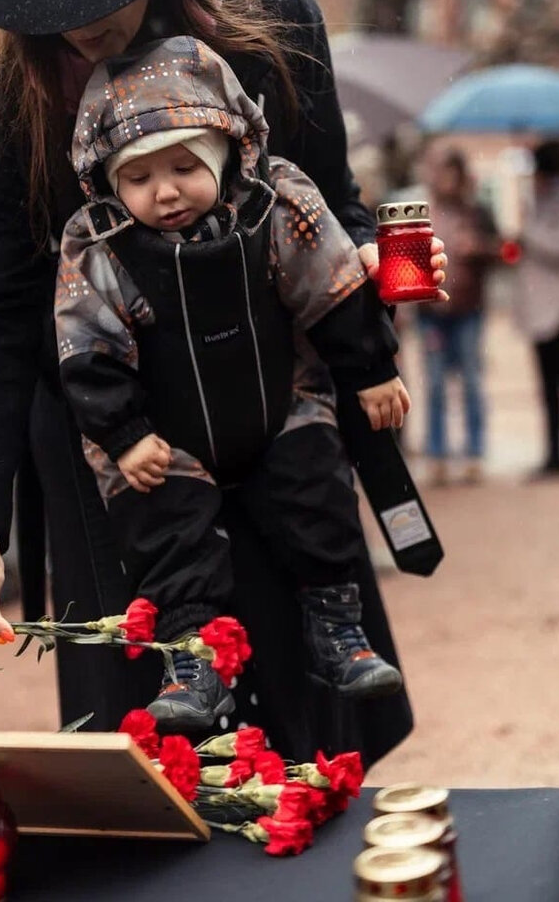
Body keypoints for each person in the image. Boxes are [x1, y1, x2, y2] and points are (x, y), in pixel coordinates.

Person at [0, 0, 446, 762]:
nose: (82, 17)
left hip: (271, 409)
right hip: (119, 447)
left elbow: (332, 204)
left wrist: (370, 260)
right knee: (152, 749)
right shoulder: (18, 89)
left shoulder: (276, 24)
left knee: (303, 733)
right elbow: (0, 309)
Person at [55, 36, 411, 732]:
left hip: (280, 403)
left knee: (317, 485)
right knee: (166, 528)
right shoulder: (98, 245)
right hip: (163, 433)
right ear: (107, 182)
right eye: (138, 179)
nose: (164, 192)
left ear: (225, 151)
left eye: (185, 167)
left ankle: (337, 627)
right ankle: (196, 662)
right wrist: (124, 435)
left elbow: (331, 284)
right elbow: (85, 345)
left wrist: (370, 369)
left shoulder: (277, 205)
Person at [416, 148, 498, 487]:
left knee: (471, 381)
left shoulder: (478, 211)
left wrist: (477, 246)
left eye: (451, 172)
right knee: (434, 384)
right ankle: (437, 454)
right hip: (431, 310)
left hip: (468, 309)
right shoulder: (423, 213)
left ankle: (474, 452)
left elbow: (503, 250)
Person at [515, 139, 559, 478]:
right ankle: (553, 455)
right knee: (548, 388)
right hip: (541, 312)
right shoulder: (533, 200)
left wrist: (529, 234)